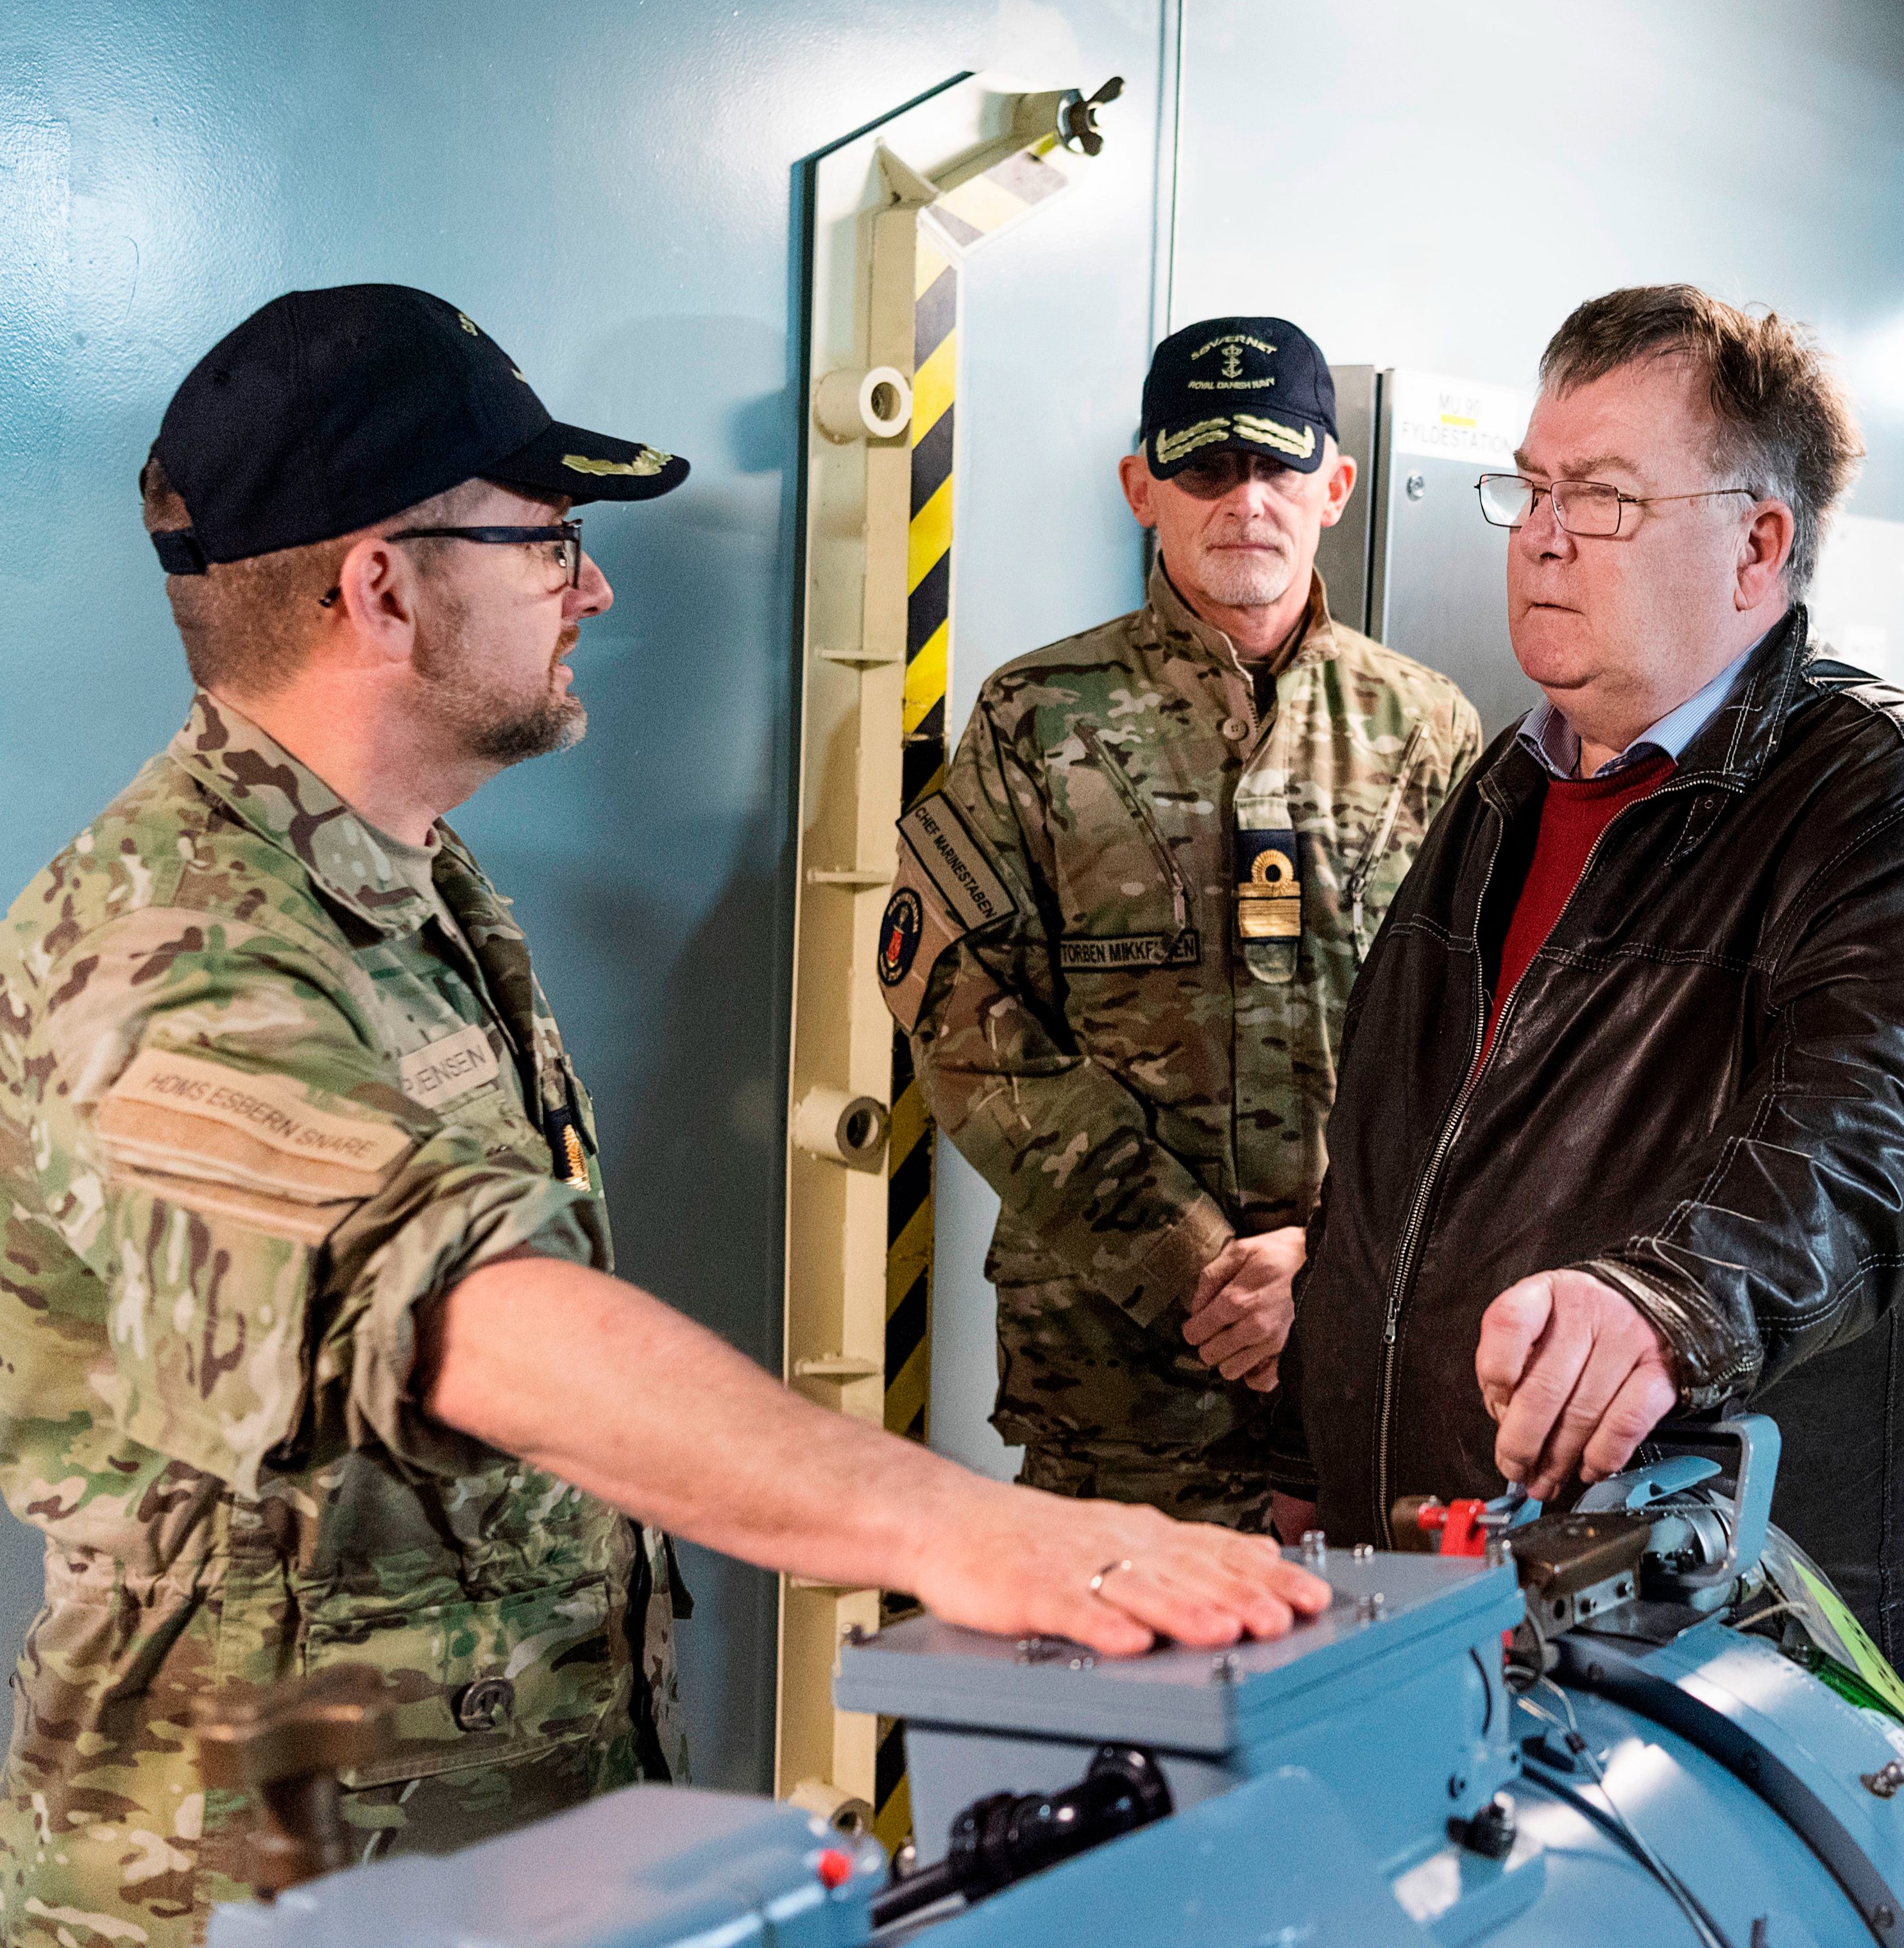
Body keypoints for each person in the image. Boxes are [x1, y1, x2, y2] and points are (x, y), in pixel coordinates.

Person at [0, 286, 1327, 1945]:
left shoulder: (409, 884)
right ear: (382, 586)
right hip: (256, 1893)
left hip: (473, 1862)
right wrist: (969, 1530)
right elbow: (453, 1305)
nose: (596, 585)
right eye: (549, 542)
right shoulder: (167, 946)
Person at [1278, 285, 1904, 1707]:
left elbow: (1882, 1131)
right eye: (1535, 487)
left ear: (1760, 545)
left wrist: (1665, 1301)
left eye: (1606, 498)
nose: (1544, 534)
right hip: (1454, 1554)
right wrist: (1307, 1458)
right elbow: (1387, 1151)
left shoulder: (1895, 802)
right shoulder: (1505, 786)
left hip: (1730, 1600)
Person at [878, 317, 1479, 1531]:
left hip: (1363, 1357)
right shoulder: (1035, 719)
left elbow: (1480, 1041)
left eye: (1277, 462)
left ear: (1335, 487)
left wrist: (1325, 1263)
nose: (1245, 497)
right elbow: (960, 1014)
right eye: (1203, 465)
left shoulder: (1427, 729)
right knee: (1106, 1716)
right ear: (1141, 487)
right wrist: (1191, 1261)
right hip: (1115, 1393)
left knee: (1348, 1699)